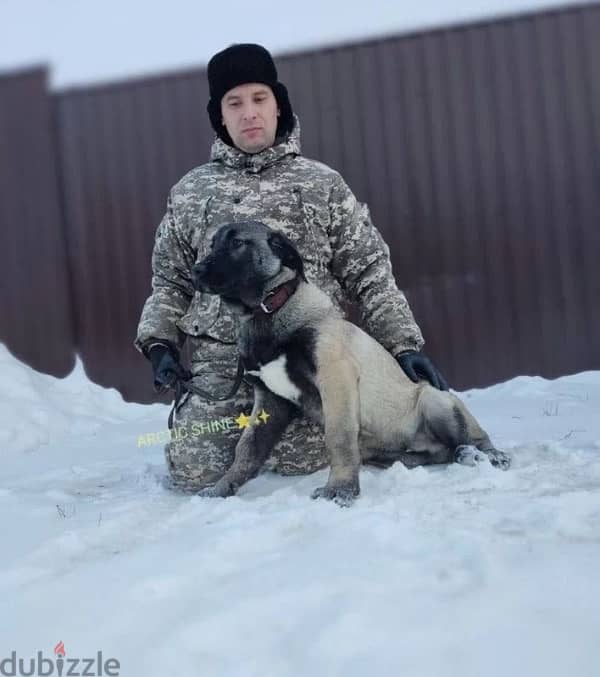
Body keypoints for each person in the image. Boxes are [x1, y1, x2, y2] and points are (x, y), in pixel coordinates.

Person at [135, 43, 448, 491]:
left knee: (310, 455)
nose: (249, 114)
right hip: (223, 372)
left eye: (260, 99)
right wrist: (159, 342)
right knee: (193, 470)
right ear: (219, 116)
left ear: (278, 104)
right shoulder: (189, 193)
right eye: (234, 103)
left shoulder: (322, 183)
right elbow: (169, 281)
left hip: (306, 365)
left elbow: (370, 270)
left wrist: (403, 345)